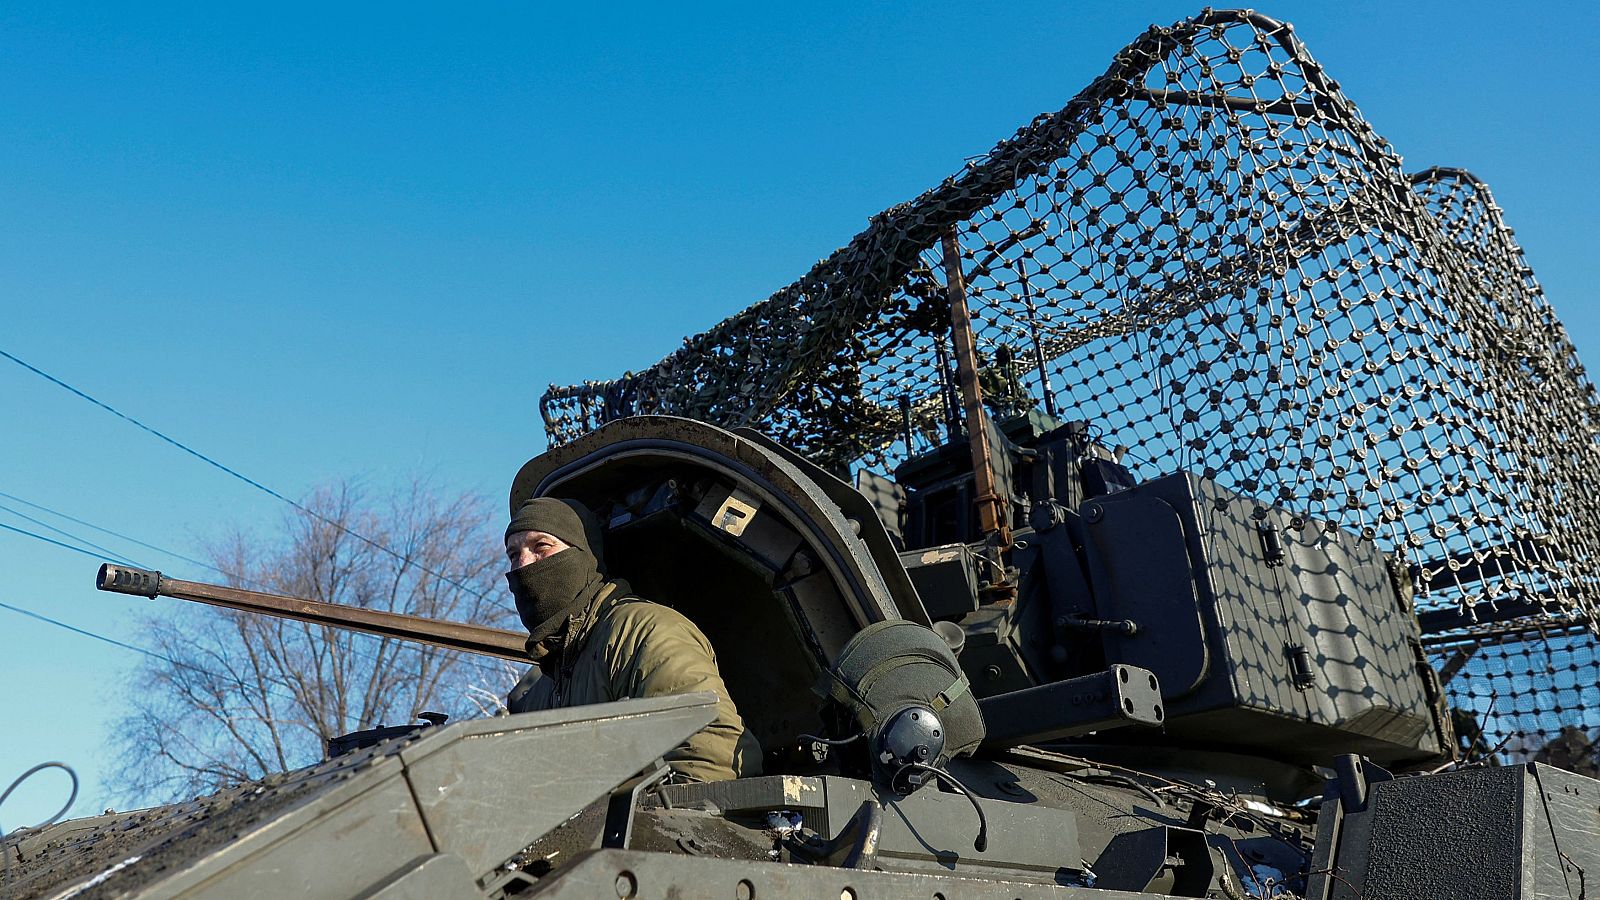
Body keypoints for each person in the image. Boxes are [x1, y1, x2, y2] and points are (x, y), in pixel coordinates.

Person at [502, 496, 761, 782]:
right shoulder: (535, 688)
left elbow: (710, 759)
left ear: (583, 556)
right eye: (513, 554)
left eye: (541, 547)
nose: (522, 566)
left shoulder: (643, 632)